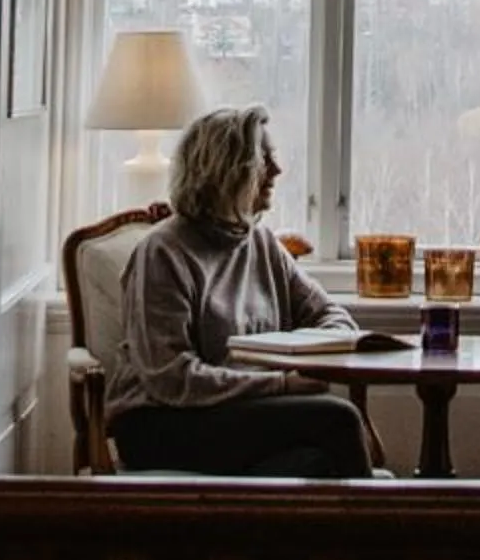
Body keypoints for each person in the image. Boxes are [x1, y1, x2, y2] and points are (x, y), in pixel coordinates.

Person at [104, 104, 375, 477]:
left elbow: (335, 318)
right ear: (224, 170)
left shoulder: (261, 243)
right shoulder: (163, 253)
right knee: (339, 418)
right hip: (162, 421)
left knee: (315, 465)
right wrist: (280, 383)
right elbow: (172, 380)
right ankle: (384, 536)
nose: (277, 171)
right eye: (263, 160)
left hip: (236, 411)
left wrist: (302, 353)